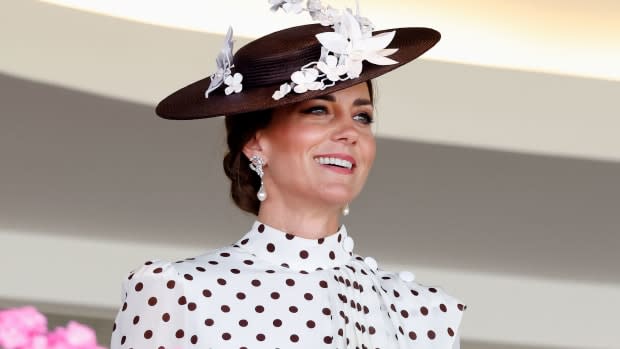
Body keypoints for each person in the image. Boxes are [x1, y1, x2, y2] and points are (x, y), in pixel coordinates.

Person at [111, 1, 466, 348]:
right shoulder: (178, 291)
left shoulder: (426, 313)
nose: (350, 132)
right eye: (317, 110)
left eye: (363, 117)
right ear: (255, 141)